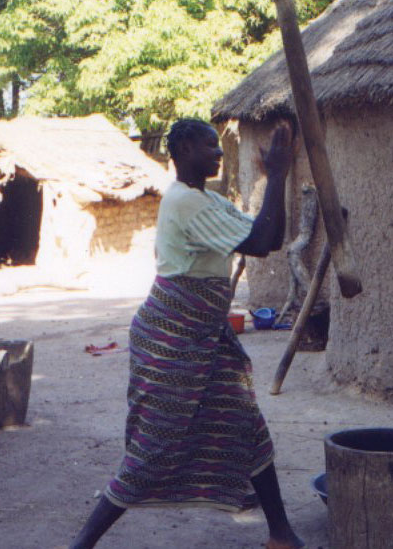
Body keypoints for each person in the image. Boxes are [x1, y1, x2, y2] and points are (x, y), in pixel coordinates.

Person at [70, 119, 304, 549]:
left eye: (218, 146)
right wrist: (278, 175)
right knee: (153, 446)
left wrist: (277, 176)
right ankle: (81, 543)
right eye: (208, 146)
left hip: (203, 338)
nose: (218, 152)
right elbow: (263, 237)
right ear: (180, 153)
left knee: (246, 423)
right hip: (171, 339)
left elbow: (269, 238)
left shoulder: (205, 200)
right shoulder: (185, 203)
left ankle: (281, 533)